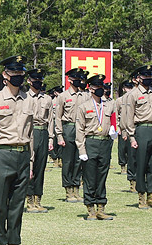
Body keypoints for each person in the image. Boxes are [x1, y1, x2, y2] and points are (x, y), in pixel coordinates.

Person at [0, 55, 35, 245]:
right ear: (5, 75)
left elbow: (30, 133)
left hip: (22, 155)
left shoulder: (29, 99)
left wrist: (30, 161)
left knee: (17, 206)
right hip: (2, 154)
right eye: (13, 73)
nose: (18, 77)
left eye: (21, 73)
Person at [123, 64, 152, 210]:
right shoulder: (132, 95)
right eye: (145, 76)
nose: (148, 78)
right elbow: (129, 117)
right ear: (139, 77)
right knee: (141, 165)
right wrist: (132, 136)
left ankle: (151, 196)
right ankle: (141, 196)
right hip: (141, 130)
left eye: (150, 76)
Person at [75, 74, 116, 220]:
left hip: (105, 142)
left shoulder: (110, 104)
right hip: (90, 142)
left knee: (102, 176)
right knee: (90, 177)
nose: (100, 89)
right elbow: (79, 129)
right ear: (90, 88)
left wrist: (113, 129)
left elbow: (114, 119)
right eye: (97, 86)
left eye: (101, 86)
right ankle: (90, 207)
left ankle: (101, 206)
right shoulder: (84, 106)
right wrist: (81, 149)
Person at [54, 68, 90, 203]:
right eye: (75, 78)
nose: (77, 80)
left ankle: (76, 188)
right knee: (68, 161)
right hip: (68, 127)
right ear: (69, 79)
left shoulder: (85, 96)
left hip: (81, 129)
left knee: (79, 160)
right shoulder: (63, 96)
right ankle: (68, 189)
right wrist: (59, 135)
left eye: (79, 78)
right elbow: (58, 117)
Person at [25, 69, 52, 213]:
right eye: (35, 79)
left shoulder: (47, 99)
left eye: (40, 80)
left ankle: (38, 199)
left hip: (43, 131)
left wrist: (52, 138)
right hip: (30, 132)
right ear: (29, 81)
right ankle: (28, 199)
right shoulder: (24, 97)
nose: (38, 82)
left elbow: (51, 120)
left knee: (40, 167)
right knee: (29, 167)